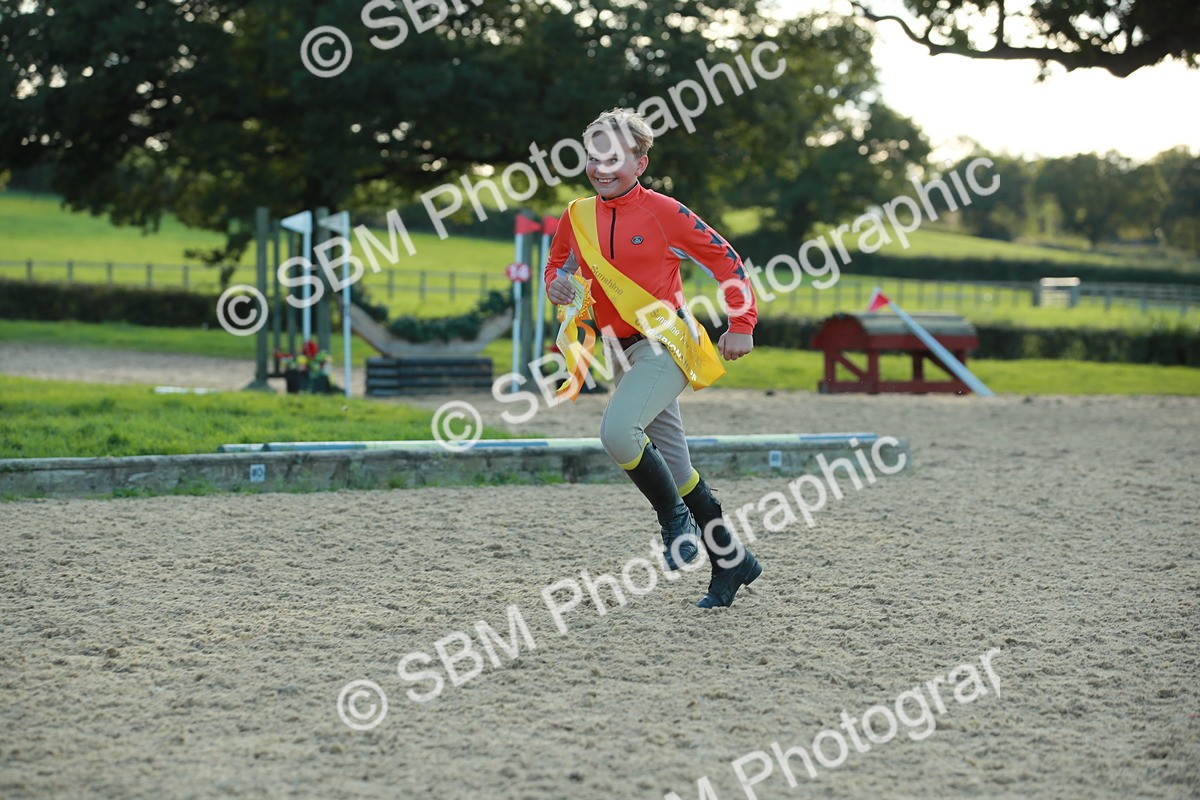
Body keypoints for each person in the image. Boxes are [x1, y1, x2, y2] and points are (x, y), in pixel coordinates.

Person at [543, 108, 763, 608]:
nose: (602, 167)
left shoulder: (665, 212)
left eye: (616, 158)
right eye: (594, 156)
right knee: (680, 469)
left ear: (640, 163)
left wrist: (741, 324)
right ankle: (732, 561)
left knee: (618, 434)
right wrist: (556, 285)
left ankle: (674, 523)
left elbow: (725, 260)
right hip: (623, 353)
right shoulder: (576, 214)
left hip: (666, 344)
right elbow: (559, 264)